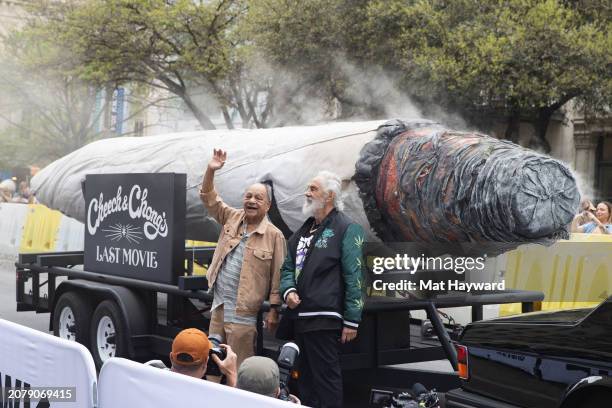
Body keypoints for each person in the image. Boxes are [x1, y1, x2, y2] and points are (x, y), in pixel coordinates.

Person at [279, 170, 365, 408]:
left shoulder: (347, 228)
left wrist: (352, 320)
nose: (306, 193)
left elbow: (355, 276)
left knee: (326, 379)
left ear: (329, 196)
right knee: (304, 379)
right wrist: (288, 291)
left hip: (324, 319)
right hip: (300, 319)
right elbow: (286, 269)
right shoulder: (302, 231)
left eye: (313, 189)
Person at [200, 148, 287, 368]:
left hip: (244, 316)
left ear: (267, 206)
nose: (252, 200)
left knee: (238, 371)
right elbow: (209, 198)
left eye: (259, 198)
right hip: (218, 308)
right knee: (212, 366)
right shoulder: (232, 217)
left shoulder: (275, 236)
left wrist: (274, 311)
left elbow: (279, 276)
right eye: (248, 196)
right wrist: (211, 170)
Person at [145, 328, 238, 386]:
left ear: (171, 357)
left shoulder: (149, 370)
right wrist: (231, 374)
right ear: (206, 362)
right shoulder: (206, 397)